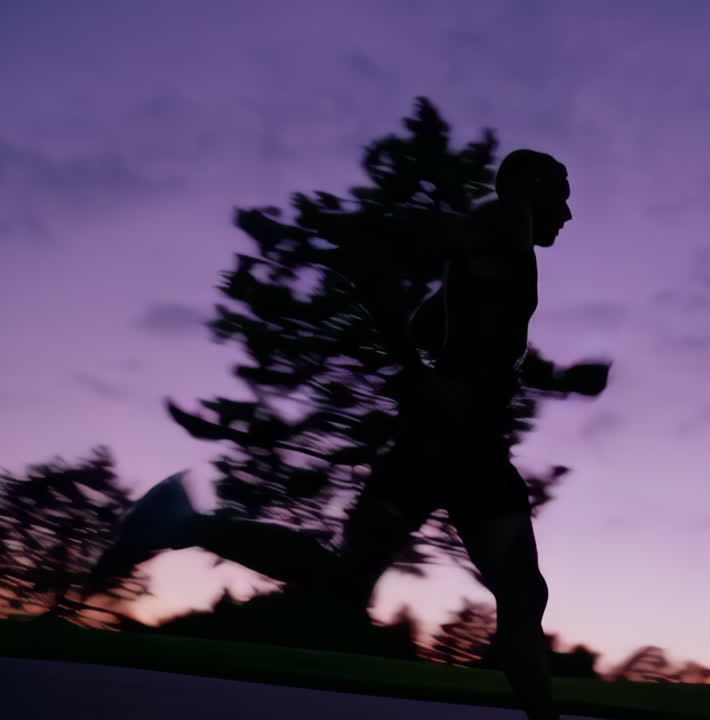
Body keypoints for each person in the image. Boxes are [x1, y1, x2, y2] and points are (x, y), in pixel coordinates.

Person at [89, 149, 607, 720]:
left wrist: (552, 377)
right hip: (443, 442)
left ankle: (184, 523)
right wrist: (414, 373)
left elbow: (433, 327)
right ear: (531, 189)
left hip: (471, 446)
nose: (568, 213)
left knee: (482, 590)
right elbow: (380, 249)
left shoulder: (501, 251)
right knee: (487, 592)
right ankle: (183, 523)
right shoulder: (502, 222)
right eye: (561, 196)